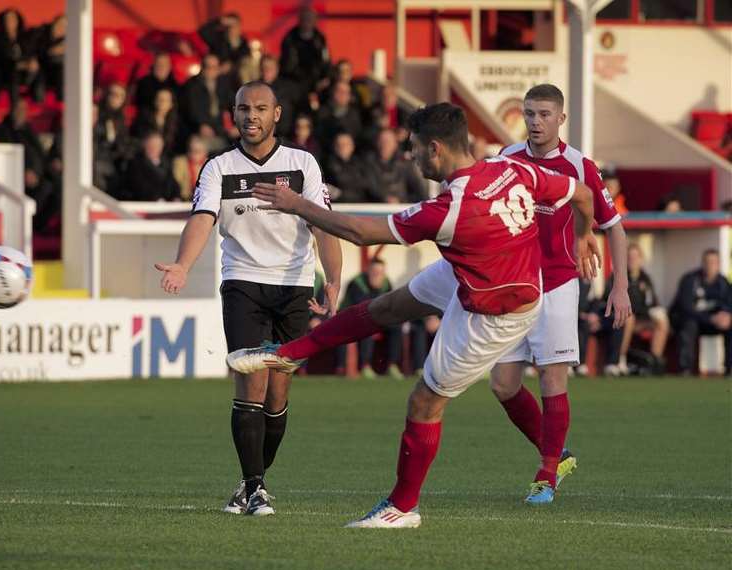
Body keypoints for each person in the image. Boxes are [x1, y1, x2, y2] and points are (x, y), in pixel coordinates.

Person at [227, 102, 599, 527]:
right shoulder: (511, 169)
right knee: (388, 306)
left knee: (424, 402)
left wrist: (298, 204)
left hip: (496, 310)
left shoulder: (452, 209)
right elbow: (581, 193)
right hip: (475, 271)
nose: (411, 156)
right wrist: (585, 236)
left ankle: (403, 508)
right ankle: (291, 353)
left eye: (415, 148)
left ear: (435, 149)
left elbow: (360, 234)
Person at [155, 81, 342, 517]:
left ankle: (248, 483)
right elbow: (202, 218)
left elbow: (323, 225)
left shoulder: (302, 164)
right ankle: (257, 488)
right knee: (251, 381)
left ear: (277, 113)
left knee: (278, 395)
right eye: (243, 108)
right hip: (243, 283)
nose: (251, 116)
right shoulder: (219, 166)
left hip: (295, 286)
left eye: (260, 108)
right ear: (233, 114)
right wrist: (183, 264)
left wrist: (332, 280)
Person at [488, 83, 630, 503]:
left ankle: (546, 475)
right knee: (503, 384)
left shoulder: (579, 165)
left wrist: (620, 286)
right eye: (530, 113)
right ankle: (557, 453)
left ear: (561, 118)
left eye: (544, 114)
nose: (535, 121)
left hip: (558, 282)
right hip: (513, 284)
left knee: (552, 376)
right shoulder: (505, 161)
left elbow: (614, 227)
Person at [0, 98, 55, 231]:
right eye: (18, 109)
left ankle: (38, 225)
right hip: (15, 177)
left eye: (24, 110)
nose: (21, 113)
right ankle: (28, 225)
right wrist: (24, 171)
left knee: (60, 187)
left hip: (39, 174)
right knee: (46, 188)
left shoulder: (28, 130)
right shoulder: (0, 130)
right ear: (11, 110)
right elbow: (1, 158)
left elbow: (40, 154)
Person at [604, 244, 668, 375]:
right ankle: (620, 360)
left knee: (662, 322)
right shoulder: (617, 276)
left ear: (641, 259)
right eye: (629, 257)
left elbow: (652, 302)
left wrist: (657, 312)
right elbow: (607, 300)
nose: (632, 260)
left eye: (635, 257)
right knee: (629, 318)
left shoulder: (645, 279)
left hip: (642, 319)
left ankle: (653, 362)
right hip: (620, 319)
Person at [337, 258, 403, 379]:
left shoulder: (386, 283)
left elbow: (390, 304)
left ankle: (392, 365)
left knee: (396, 326)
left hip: (377, 317)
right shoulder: (356, 283)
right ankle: (365, 366)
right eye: (374, 271)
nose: (377, 275)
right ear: (368, 271)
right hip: (352, 318)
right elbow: (361, 307)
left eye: (381, 272)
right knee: (368, 326)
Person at [671, 248, 732, 375]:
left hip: (713, 323)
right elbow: (685, 308)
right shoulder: (690, 280)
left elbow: (728, 304)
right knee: (689, 325)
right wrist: (710, 318)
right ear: (702, 263)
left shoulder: (723, 282)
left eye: (714, 262)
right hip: (692, 321)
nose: (711, 265)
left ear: (719, 264)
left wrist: (727, 316)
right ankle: (686, 369)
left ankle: (729, 368)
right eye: (708, 262)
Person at [0, 9, 43, 102]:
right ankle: (14, 108)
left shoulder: (25, 36)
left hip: (25, 71)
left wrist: (31, 61)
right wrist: (18, 64)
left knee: (39, 73)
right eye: (7, 19)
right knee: (13, 73)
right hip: (5, 70)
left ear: (18, 21)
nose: (10, 22)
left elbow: (30, 52)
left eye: (12, 19)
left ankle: (39, 107)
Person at [362, 129, 427, 204]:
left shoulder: (405, 165)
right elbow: (367, 189)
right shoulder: (368, 164)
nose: (385, 145)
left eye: (388, 142)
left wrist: (401, 202)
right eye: (382, 141)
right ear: (377, 143)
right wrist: (384, 199)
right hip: (376, 208)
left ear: (395, 144)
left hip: (401, 208)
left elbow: (419, 192)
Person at [180, 54, 234, 142]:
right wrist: (200, 125)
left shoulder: (223, 83)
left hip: (220, 128)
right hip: (198, 129)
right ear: (202, 68)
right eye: (208, 67)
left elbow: (233, 102)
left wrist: (237, 125)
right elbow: (191, 110)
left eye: (214, 67)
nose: (211, 70)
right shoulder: (192, 85)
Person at [279, 7, 331, 96]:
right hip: (294, 80)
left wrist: (326, 78)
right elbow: (287, 65)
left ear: (315, 21)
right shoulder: (290, 38)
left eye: (310, 19)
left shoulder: (320, 38)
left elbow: (326, 60)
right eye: (305, 19)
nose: (307, 22)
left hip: (316, 81)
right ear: (299, 20)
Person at [120, 130, 180, 202]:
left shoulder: (166, 164)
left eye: (157, 146)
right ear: (145, 146)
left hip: (166, 203)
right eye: (151, 145)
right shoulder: (136, 163)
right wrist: (156, 198)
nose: (153, 149)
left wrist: (176, 196)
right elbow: (139, 186)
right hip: (146, 202)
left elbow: (173, 183)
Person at [258, 56, 301, 138]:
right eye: (264, 68)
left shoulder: (290, 88)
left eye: (270, 68)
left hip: (286, 135)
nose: (266, 71)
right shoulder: (253, 89)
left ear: (277, 70)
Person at [314, 81, 363, 153]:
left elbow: (357, 136)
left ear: (350, 96)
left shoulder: (354, 115)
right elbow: (318, 136)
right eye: (339, 91)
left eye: (346, 92)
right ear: (333, 93)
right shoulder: (322, 113)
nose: (343, 95)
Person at [131, 88, 179, 156]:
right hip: (145, 154)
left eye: (165, 100)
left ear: (171, 104)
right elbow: (139, 138)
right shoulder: (144, 118)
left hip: (165, 157)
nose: (162, 102)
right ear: (154, 101)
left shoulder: (174, 122)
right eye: (159, 99)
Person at [324, 132, 368, 203]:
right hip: (337, 206)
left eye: (346, 144)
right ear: (334, 147)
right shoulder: (327, 166)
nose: (342, 147)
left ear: (352, 146)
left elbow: (365, 187)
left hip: (360, 205)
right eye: (339, 144)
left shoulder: (362, 165)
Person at [36, 15, 66, 100]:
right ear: (53, 24)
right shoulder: (41, 34)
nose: (61, 28)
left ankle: (62, 100)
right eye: (59, 24)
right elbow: (38, 52)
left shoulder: (67, 41)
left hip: (58, 72)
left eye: (65, 26)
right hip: (42, 67)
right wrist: (51, 51)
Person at [172, 134, 207, 201]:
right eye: (191, 150)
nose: (194, 154)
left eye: (198, 151)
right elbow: (176, 183)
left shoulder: (209, 164)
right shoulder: (180, 162)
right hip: (184, 199)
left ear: (205, 152)